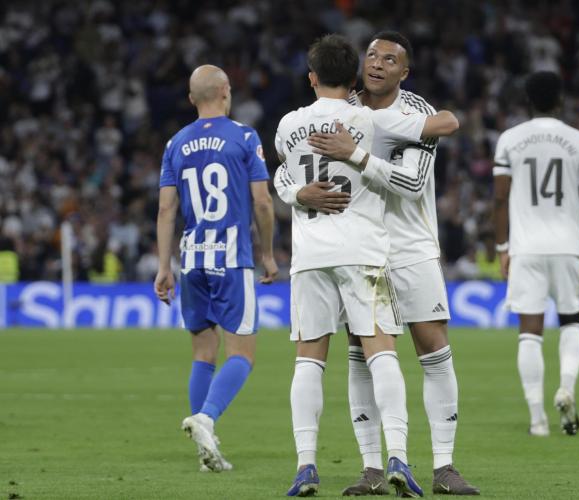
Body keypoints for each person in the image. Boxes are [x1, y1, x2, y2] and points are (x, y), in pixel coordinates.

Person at [276, 31, 479, 495]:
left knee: (433, 351)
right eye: (371, 55)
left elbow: (412, 184)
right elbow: (286, 166)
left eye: (389, 59)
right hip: (361, 249)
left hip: (408, 248)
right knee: (362, 358)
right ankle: (372, 469)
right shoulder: (349, 108)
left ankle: (444, 465)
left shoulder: (412, 112)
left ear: (404, 71)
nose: (377, 63)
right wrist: (297, 192)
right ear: (356, 68)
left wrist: (356, 155)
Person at [154, 65, 278, 472]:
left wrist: (164, 265)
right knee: (242, 355)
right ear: (226, 91)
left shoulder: (175, 143)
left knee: (203, 354)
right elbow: (262, 202)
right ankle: (206, 418)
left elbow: (166, 209)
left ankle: (204, 454)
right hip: (231, 258)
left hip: (191, 259)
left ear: (192, 98)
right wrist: (268, 253)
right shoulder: (244, 136)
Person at [493, 71, 579, 437]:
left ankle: (537, 419)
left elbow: (499, 198)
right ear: (560, 101)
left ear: (528, 100)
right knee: (571, 321)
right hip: (568, 246)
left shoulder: (509, 140)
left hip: (526, 248)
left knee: (530, 332)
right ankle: (566, 388)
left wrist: (502, 248)